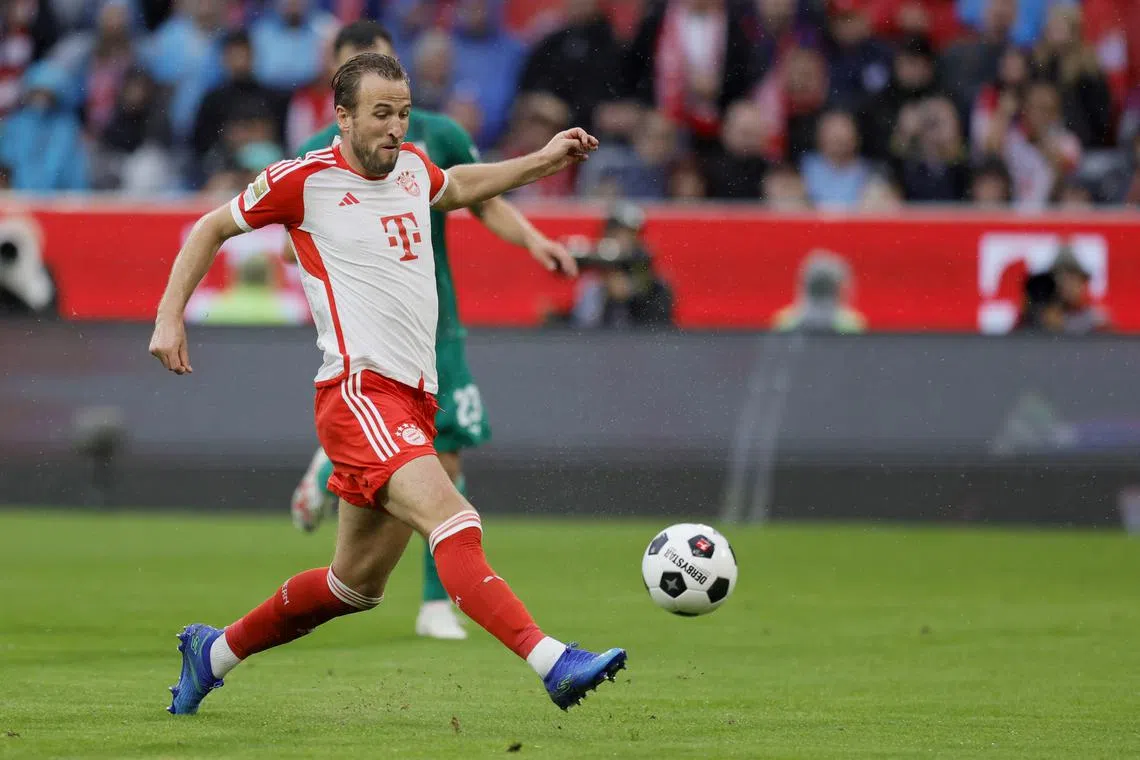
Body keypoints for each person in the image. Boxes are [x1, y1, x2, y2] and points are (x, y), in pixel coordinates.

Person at [150, 53, 625, 715]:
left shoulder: (411, 169)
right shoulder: (302, 181)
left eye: (402, 113)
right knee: (454, 517)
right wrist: (169, 316)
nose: (395, 127)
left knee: (353, 586)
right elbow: (211, 226)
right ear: (342, 117)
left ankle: (213, 653)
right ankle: (552, 661)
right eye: (380, 114)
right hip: (359, 392)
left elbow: (457, 186)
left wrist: (542, 161)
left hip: (414, 397)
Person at [287, 20, 576, 641]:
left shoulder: (434, 140)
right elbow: (284, 233)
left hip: (436, 330)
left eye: (386, 64)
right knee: (426, 481)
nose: (391, 112)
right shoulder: (316, 153)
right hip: (370, 341)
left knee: (443, 458)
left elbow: (479, 194)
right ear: (341, 84)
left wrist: (533, 239)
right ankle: (448, 605)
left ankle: (428, 593)